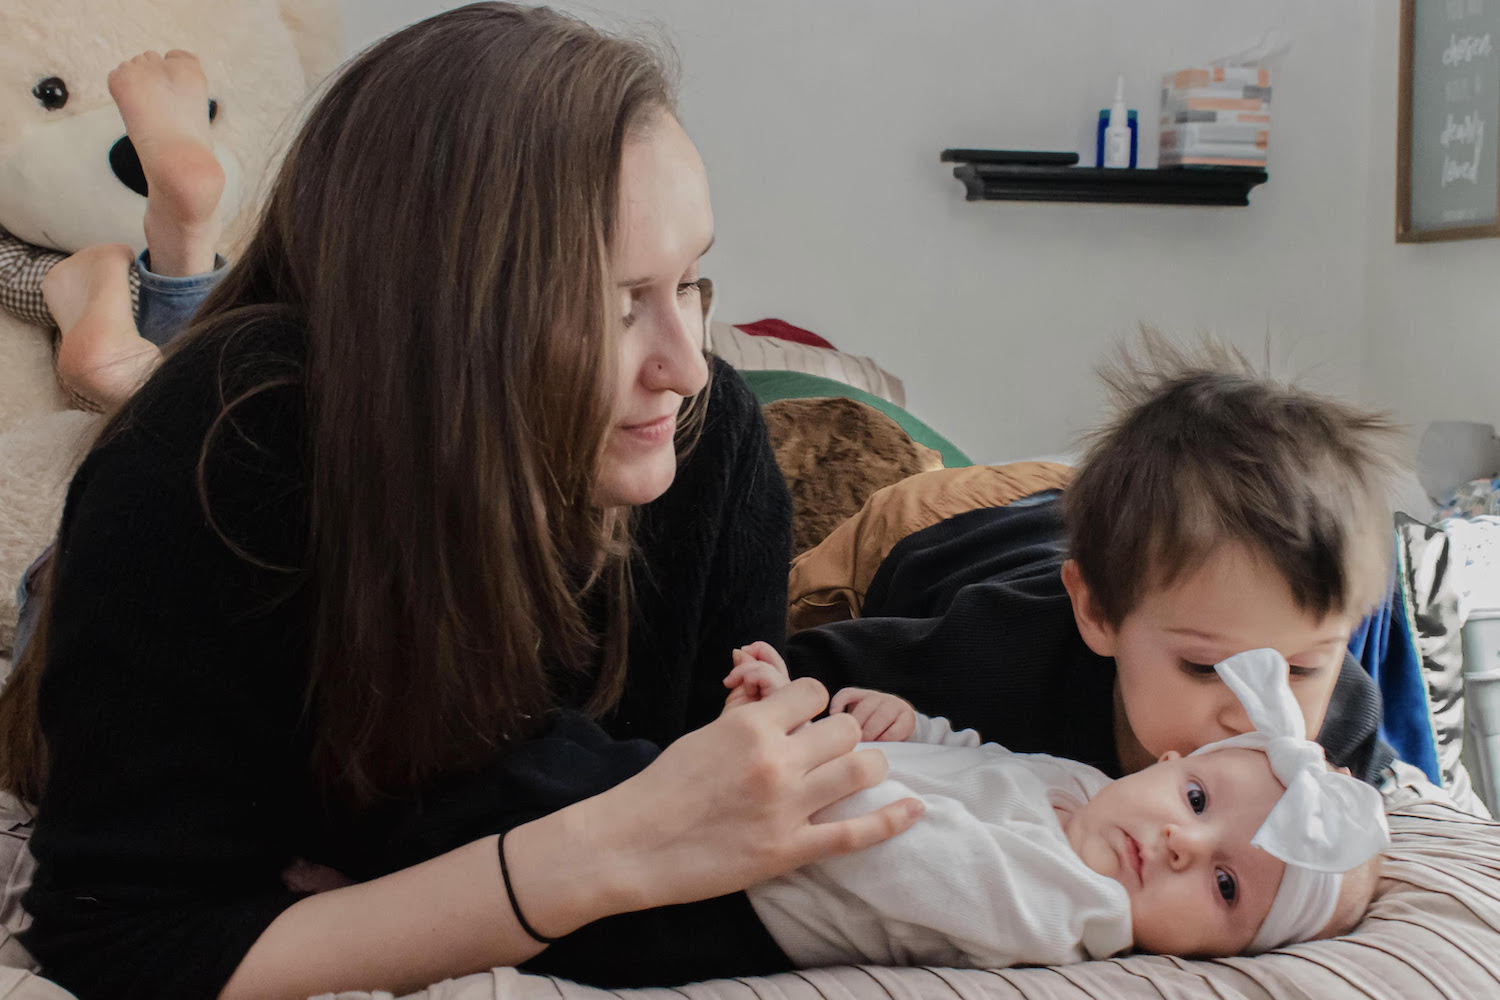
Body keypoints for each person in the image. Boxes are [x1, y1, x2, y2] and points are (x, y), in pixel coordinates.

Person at [0, 7, 923, 1000]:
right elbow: (125, 937)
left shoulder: (717, 454)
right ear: (438, 315)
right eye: (616, 304)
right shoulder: (228, 447)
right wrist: (591, 857)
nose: (688, 366)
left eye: (692, 282)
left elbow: (719, 841)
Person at [787, 335, 1403, 786]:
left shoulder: (1338, 720)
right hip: (943, 524)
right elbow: (797, 671)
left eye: (1301, 669)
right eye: (1206, 666)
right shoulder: (996, 658)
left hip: (1082, 520)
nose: (1254, 713)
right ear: (1099, 614)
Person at [724, 643, 1386, 969]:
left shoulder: (1069, 909)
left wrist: (804, 751)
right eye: (1196, 799)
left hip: (748, 901)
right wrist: (909, 731)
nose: (1184, 841)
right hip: (780, 804)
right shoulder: (1089, 790)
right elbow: (980, 762)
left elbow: (901, 853)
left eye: (1224, 883)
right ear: (1171, 761)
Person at [0, 50, 229, 411]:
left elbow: (9, 271)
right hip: (207, 320)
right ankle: (187, 256)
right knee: (227, 392)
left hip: (98, 313)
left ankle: (129, 371)